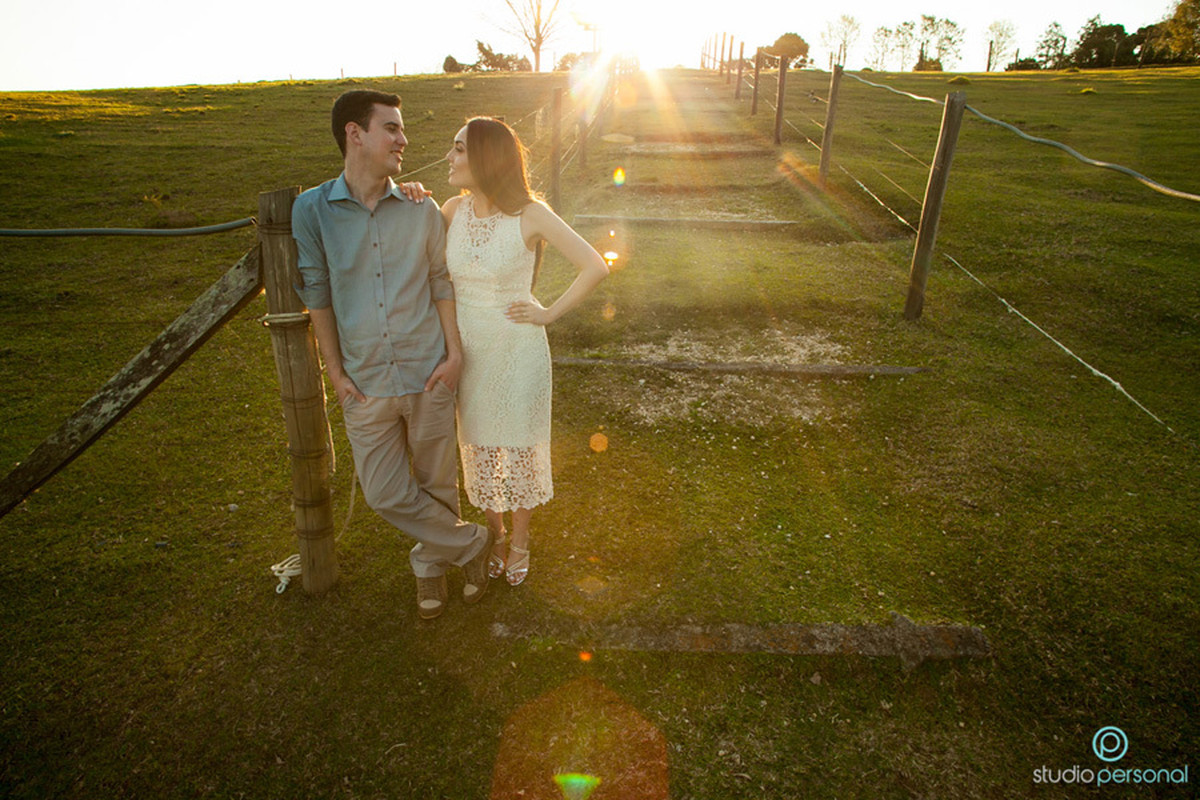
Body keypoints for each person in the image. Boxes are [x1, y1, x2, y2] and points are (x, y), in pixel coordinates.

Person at [291, 90, 492, 620]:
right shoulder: (311, 210)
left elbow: (441, 281)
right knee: (383, 492)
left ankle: (430, 570)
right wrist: (335, 373)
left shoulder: (420, 207)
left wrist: (453, 354)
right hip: (364, 382)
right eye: (392, 128)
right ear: (355, 134)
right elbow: (317, 293)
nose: (404, 139)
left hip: (428, 369)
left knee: (437, 483)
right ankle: (472, 542)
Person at [440, 116, 609, 585]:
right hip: (469, 350)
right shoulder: (450, 210)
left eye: (459, 149)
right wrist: (413, 195)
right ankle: (493, 535)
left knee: (517, 444)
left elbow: (594, 265)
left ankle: (519, 541)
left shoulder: (530, 214)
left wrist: (548, 313)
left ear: (486, 157)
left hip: (517, 349)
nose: (450, 158)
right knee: (478, 443)